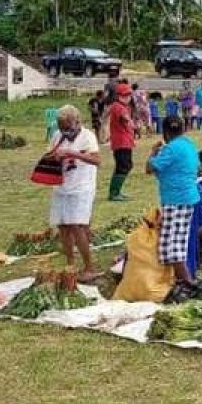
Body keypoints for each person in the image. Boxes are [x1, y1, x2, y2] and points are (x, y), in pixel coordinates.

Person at [146, 114, 202, 301]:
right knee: (172, 242)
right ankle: (178, 280)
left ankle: (187, 282)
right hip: (185, 198)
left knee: (173, 245)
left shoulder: (170, 149)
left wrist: (153, 152)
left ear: (166, 132)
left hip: (176, 200)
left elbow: (149, 168)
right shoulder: (188, 144)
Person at [46, 105, 102, 282]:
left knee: (77, 226)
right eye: (62, 128)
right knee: (63, 226)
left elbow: (96, 160)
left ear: (77, 122)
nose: (65, 132)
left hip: (81, 187)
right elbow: (49, 155)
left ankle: (89, 267)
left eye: (68, 128)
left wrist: (73, 153)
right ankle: (70, 264)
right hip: (62, 186)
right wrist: (54, 156)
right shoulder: (57, 136)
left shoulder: (88, 137)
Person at [107, 82, 136, 202]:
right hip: (121, 142)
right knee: (124, 166)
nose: (127, 98)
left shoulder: (123, 106)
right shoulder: (118, 107)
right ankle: (114, 193)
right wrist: (131, 122)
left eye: (129, 95)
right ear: (118, 96)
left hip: (125, 141)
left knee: (124, 165)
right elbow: (125, 118)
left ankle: (116, 191)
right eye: (124, 95)